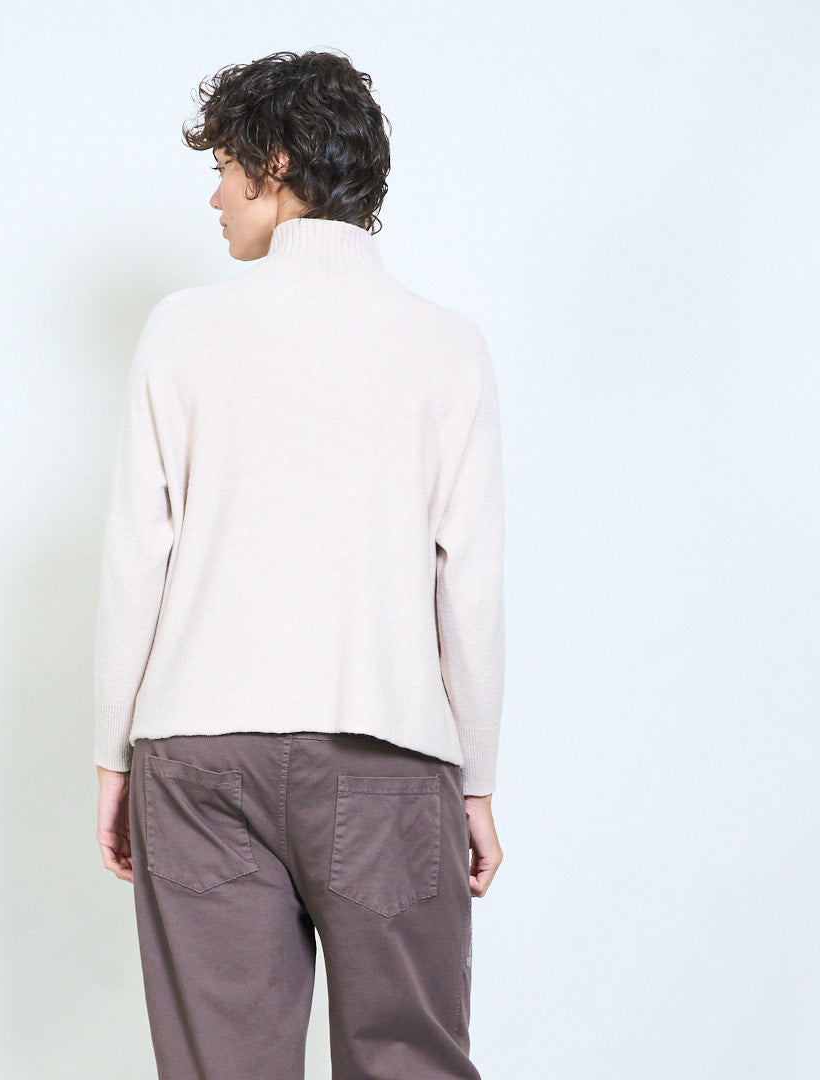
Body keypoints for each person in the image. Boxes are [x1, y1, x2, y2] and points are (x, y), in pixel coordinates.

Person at [94, 48, 505, 1080]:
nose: (215, 196)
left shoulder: (183, 331)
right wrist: (477, 780)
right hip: (388, 761)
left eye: (225, 168)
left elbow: (138, 556)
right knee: (410, 1065)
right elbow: (469, 584)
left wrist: (113, 760)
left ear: (275, 164)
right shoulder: (447, 346)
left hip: (200, 766)